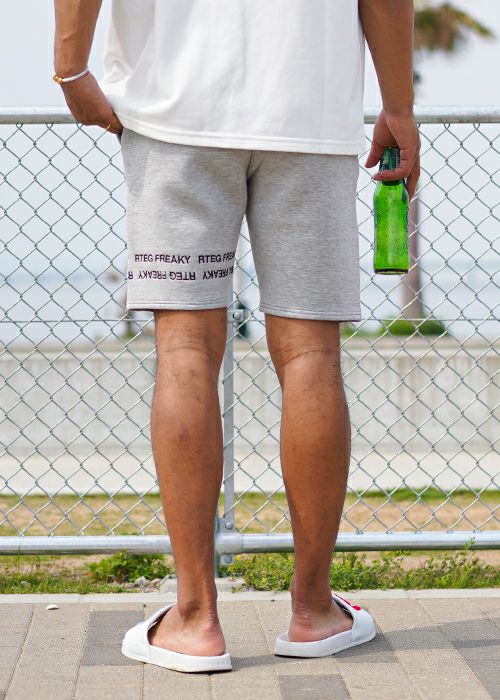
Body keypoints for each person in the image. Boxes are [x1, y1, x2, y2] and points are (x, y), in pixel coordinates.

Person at [53, 0, 420, 674]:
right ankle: (313, 611)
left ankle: (195, 619)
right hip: (308, 111)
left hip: (174, 110)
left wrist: (70, 67)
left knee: (185, 351)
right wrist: (399, 105)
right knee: (311, 356)